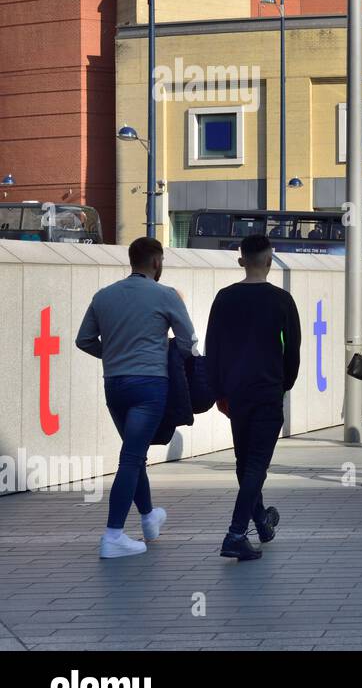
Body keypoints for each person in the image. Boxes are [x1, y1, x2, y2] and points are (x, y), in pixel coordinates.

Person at [76, 237, 198, 559]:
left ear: (132, 260)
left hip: (114, 384)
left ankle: (148, 519)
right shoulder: (165, 295)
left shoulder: (104, 296)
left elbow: (83, 339)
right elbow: (187, 340)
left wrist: (113, 354)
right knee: (131, 458)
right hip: (149, 386)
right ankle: (113, 536)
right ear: (157, 262)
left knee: (134, 452)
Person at [204, 234, 302, 560]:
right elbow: (294, 352)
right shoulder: (282, 300)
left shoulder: (224, 298)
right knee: (256, 464)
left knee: (245, 462)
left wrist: (219, 391)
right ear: (270, 261)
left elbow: (212, 348)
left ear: (241, 260)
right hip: (267, 391)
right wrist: (284, 384)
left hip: (235, 393)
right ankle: (234, 533)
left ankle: (260, 521)